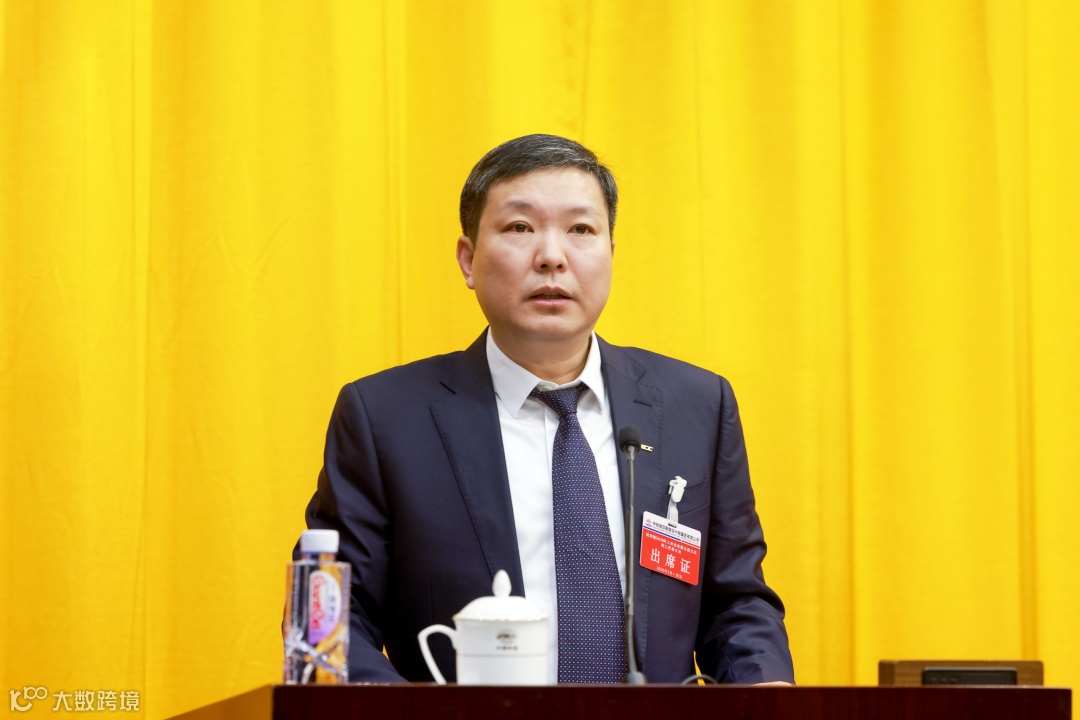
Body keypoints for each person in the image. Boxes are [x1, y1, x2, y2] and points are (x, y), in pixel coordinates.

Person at [300, 134, 794, 685]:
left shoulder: (696, 406)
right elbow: (331, 625)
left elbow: (736, 604)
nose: (552, 257)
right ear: (468, 259)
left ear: (611, 254)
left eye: (581, 230)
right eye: (519, 227)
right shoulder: (385, 418)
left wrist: (766, 693)